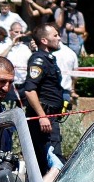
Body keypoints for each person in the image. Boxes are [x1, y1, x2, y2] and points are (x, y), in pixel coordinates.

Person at [19, 22, 70, 163]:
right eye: (55, 35)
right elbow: (29, 90)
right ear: (44, 40)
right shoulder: (39, 59)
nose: (59, 38)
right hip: (43, 120)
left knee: (48, 160)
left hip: (50, 117)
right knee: (52, 161)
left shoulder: (49, 59)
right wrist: (42, 116)